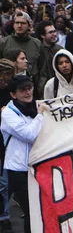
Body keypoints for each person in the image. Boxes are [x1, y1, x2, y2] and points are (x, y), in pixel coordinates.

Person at [2, 75, 48, 233]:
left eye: (29, 88)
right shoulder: (8, 114)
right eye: (23, 90)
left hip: (37, 165)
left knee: (40, 208)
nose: (28, 92)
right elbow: (29, 134)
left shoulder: (35, 106)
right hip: (18, 168)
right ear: (13, 94)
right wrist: (41, 115)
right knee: (31, 210)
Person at [0, 11, 48, 96]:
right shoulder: (4, 43)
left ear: (29, 25)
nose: (19, 26)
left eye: (23, 23)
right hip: (8, 90)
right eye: (17, 23)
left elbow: (43, 70)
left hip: (32, 89)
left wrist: (40, 90)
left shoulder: (37, 44)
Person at [0, 60, 15, 233]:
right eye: (6, 74)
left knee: (5, 181)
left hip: (7, 140)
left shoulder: (11, 90)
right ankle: (4, 216)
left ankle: (4, 214)